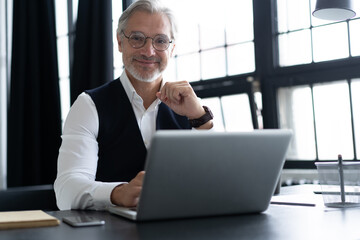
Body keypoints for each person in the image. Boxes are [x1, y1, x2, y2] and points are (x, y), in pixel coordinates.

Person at [54, 0, 213, 210]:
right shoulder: (89, 106)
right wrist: (118, 193)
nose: (149, 51)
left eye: (160, 41)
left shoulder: (193, 108)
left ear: (171, 48)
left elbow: (216, 183)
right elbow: (66, 191)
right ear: (120, 42)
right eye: (137, 38)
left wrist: (200, 119)